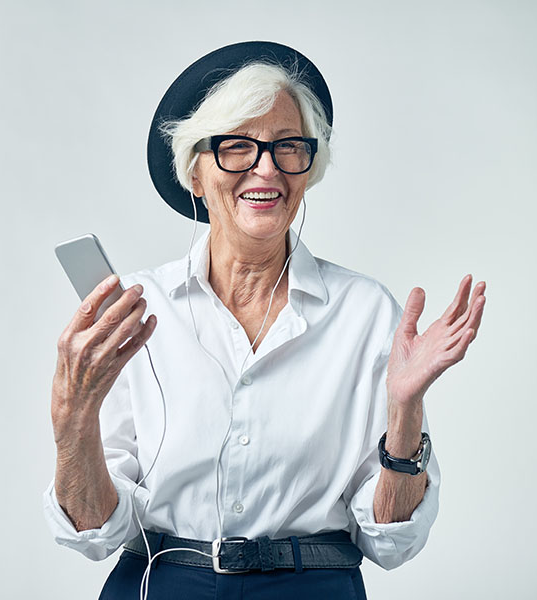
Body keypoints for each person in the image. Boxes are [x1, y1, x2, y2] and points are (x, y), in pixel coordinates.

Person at [43, 42, 486, 599]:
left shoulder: (366, 312)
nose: (267, 167)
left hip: (313, 586)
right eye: (237, 146)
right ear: (195, 174)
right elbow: (93, 532)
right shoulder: (137, 312)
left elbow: (391, 542)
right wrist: (73, 416)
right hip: (162, 583)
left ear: (308, 168)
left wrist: (405, 412)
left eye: (288, 146)